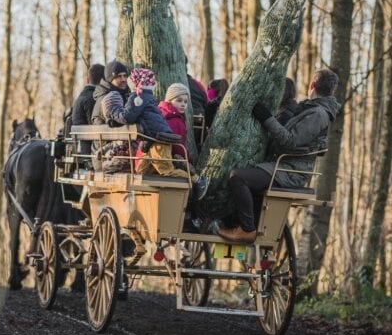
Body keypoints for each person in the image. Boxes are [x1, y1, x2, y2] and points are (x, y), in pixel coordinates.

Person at [217, 68, 340, 244]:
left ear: (312, 85)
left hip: (289, 170)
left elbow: (289, 141)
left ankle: (247, 230)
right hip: (283, 165)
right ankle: (234, 221)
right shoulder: (312, 108)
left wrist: (266, 118)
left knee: (238, 177)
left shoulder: (318, 114)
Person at [126, 69, 209, 199]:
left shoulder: (159, 111)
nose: (183, 104)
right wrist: (188, 161)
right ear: (170, 100)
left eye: (185, 102)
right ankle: (196, 181)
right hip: (159, 153)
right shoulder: (174, 119)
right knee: (176, 171)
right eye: (179, 100)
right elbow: (178, 145)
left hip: (144, 158)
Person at [91, 60, 142, 172]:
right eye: (119, 76)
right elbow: (119, 123)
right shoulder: (108, 99)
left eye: (125, 76)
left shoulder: (121, 95)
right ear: (110, 79)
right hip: (105, 157)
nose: (123, 79)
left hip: (115, 152)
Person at [71, 63, 104, 164]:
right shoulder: (92, 98)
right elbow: (94, 125)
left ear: (87, 79)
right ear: (103, 81)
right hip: (90, 153)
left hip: (81, 149)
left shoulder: (81, 97)